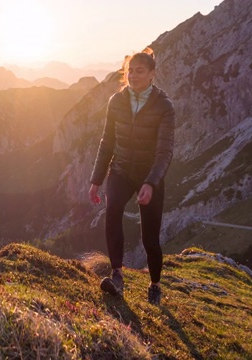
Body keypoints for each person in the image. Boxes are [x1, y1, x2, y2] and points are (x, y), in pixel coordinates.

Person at [88, 47, 175, 305]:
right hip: (121, 169)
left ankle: (155, 285)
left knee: (150, 236)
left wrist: (151, 182)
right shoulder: (116, 102)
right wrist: (96, 179)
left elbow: (165, 151)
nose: (133, 76)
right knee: (112, 209)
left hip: (150, 174)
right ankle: (116, 276)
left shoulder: (164, 107)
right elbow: (107, 143)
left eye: (140, 71)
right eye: (130, 71)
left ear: (152, 74)